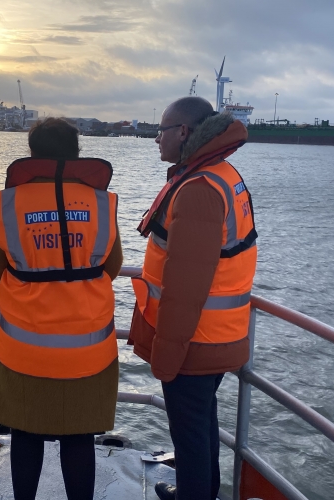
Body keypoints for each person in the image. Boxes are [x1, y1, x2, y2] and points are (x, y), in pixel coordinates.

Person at [0, 117, 123, 500]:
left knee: (25, 433)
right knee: (79, 436)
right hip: (89, 348)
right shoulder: (102, 203)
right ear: (76, 154)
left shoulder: (8, 202)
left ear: (32, 153)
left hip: (23, 348)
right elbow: (112, 266)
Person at [129, 98, 258, 500]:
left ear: (183, 132)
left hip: (195, 339)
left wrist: (168, 354)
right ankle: (199, 490)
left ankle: (194, 494)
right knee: (200, 424)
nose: (156, 139)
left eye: (161, 130)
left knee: (189, 432)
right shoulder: (221, 175)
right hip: (214, 334)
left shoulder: (200, 189)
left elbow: (185, 287)